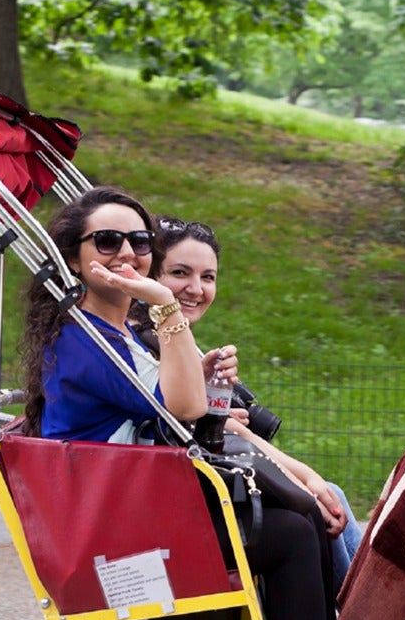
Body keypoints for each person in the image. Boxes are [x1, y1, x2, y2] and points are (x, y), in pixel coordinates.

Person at [20, 186, 405, 620]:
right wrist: (165, 306)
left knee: (296, 524)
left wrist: (182, 350)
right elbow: (181, 408)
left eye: (139, 240)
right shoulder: (89, 341)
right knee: (289, 536)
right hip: (119, 536)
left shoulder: (110, 332)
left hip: (130, 509)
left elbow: (182, 403)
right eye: (107, 241)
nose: (126, 252)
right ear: (74, 255)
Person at [135, 216, 367, 578]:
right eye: (180, 273)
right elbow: (231, 433)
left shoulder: (172, 339)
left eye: (208, 277)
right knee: (319, 503)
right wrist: (306, 476)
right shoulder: (150, 343)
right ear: (152, 278)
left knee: (324, 494)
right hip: (177, 499)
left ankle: (363, 617)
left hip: (203, 479)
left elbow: (233, 431)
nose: (196, 288)